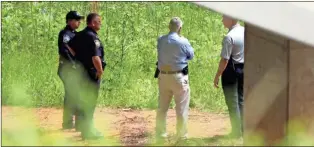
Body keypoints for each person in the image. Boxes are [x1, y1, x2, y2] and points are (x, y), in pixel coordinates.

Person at [155, 17, 194, 144]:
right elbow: (191, 56)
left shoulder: (161, 40)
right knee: (181, 107)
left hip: (163, 76)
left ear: (169, 27)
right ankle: (181, 136)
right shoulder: (183, 41)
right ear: (180, 28)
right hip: (178, 77)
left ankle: (161, 134)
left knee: (162, 107)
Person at [69, 13, 106, 140]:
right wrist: (100, 71)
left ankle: (85, 130)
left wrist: (80, 58)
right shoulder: (92, 37)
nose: (100, 23)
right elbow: (95, 57)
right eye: (99, 21)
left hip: (80, 73)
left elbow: (69, 46)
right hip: (91, 74)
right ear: (93, 23)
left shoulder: (81, 34)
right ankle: (89, 131)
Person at [213, 15, 244, 139]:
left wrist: (217, 76)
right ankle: (243, 130)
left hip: (231, 70)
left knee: (232, 102)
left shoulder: (229, 37)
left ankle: (236, 132)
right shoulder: (245, 31)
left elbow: (225, 60)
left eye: (224, 18)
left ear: (231, 19)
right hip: (244, 69)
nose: (222, 20)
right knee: (241, 100)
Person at [57, 10, 84, 130]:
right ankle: (69, 123)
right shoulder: (65, 34)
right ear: (69, 21)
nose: (79, 22)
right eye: (77, 20)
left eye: (79, 20)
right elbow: (64, 50)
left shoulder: (75, 34)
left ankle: (72, 123)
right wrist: (73, 64)